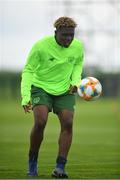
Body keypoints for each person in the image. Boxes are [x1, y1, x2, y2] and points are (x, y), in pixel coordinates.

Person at [21, 16, 84, 178]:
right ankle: (32, 162)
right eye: (65, 35)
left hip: (64, 89)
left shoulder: (77, 47)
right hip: (41, 87)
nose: (69, 39)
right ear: (56, 32)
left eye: (72, 35)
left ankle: (60, 167)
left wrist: (75, 82)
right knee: (40, 122)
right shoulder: (41, 46)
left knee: (68, 123)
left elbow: (78, 64)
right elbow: (28, 70)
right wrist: (25, 96)